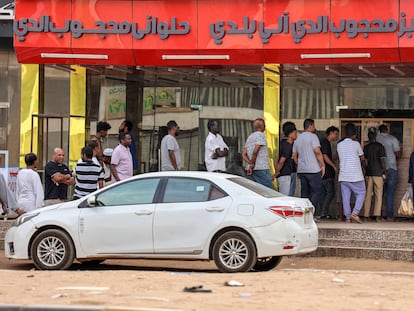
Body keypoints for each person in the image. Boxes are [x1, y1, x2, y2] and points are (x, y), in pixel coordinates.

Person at [292, 118, 325, 209]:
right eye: (314, 125)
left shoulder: (298, 139)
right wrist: (322, 165)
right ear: (310, 126)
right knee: (316, 191)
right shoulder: (313, 137)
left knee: (304, 192)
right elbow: (317, 151)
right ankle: (311, 212)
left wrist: (299, 164)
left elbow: (294, 155)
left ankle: (304, 212)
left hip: (302, 170)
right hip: (313, 169)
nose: (314, 127)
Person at [337, 123, 366, 224]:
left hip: (343, 175)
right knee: (361, 193)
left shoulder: (339, 145)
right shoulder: (356, 144)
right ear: (354, 134)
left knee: (345, 197)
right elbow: (362, 157)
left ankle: (348, 218)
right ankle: (355, 212)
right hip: (356, 175)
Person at [376, 124, 401, 221]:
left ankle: (379, 215)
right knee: (390, 193)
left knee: (380, 193)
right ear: (387, 129)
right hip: (391, 167)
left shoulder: (377, 138)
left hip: (380, 169)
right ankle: (390, 216)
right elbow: (398, 153)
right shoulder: (393, 139)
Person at [363, 129, 386, 222]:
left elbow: (363, 160)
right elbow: (382, 161)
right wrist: (384, 171)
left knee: (368, 195)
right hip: (378, 173)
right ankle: (377, 215)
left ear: (368, 137)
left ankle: (366, 215)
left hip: (369, 173)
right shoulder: (380, 146)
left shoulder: (366, 147)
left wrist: (366, 169)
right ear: (376, 136)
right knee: (378, 194)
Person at [242, 118, 273, 188]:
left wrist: (250, 163)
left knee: (256, 190)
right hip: (261, 168)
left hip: (252, 169)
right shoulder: (260, 135)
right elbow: (256, 150)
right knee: (267, 190)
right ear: (263, 126)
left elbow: (244, 154)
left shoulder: (250, 137)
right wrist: (252, 163)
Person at [319, 126, 339, 219]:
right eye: (335, 134)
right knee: (330, 192)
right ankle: (323, 212)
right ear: (330, 133)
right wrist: (334, 166)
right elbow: (325, 156)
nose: (336, 136)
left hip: (325, 172)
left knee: (325, 193)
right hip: (327, 172)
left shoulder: (325, 142)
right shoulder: (325, 142)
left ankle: (323, 212)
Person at [274, 121, 297, 196]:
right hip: (285, 174)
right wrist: (277, 171)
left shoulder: (283, 143)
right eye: (295, 133)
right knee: (285, 196)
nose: (296, 135)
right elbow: (281, 161)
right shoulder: (288, 146)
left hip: (287, 173)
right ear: (290, 134)